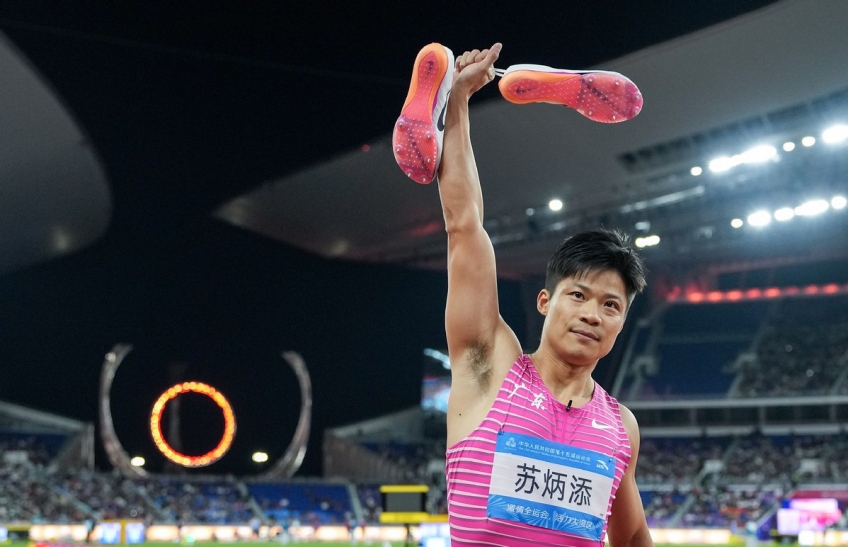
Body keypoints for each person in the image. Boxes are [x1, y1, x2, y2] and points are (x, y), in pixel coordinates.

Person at [394, 43, 652, 546]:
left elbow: (632, 534)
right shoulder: (490, 368)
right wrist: (458, 101)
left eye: (611, 305)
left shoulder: (621, 427)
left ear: (622, 323)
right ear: (544, 302)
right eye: (578, 295)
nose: (593, 314)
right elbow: (464, 227)